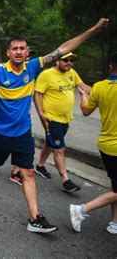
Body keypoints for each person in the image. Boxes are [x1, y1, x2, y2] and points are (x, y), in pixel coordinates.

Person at [0, 18, 109, 233]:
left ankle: (34, 218)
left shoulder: (33, 67)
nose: (19, 52)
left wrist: (92, 29)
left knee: (28, 173)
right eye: (14, 49)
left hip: (23, 135)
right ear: (8, 52)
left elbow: (62, 49)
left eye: (22, 48)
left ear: (27, 52)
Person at [70, 52, 117, 235]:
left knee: (115, 185)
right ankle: (81, 210)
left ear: (110, 66)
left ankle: (114, 223)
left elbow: (85, 111)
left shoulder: (99, 87)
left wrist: (82, 95)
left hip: (105, 145)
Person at [33, 52, 91, 192]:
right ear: (57, 61)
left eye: (71, 60)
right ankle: (66, 180)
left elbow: (84, 87)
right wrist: (41, 114)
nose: (69, 63)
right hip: (51, 118)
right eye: (66, 60)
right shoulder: (46, 75)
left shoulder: (72, 73)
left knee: (51, 142)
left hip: (66, 118)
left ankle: (40, 166)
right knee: (59, 149)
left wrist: (104, 91)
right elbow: (37, 94)